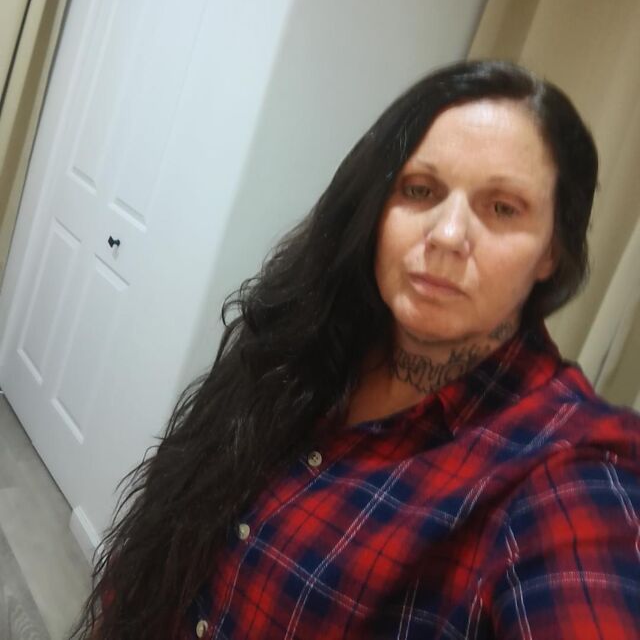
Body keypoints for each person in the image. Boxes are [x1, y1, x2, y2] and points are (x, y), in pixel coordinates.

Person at [72, 59, 640, 640]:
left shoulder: (567, 475)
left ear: (551, 251)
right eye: (420, 190)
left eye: (502, 208)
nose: (447, 236)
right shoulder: (311, 343)